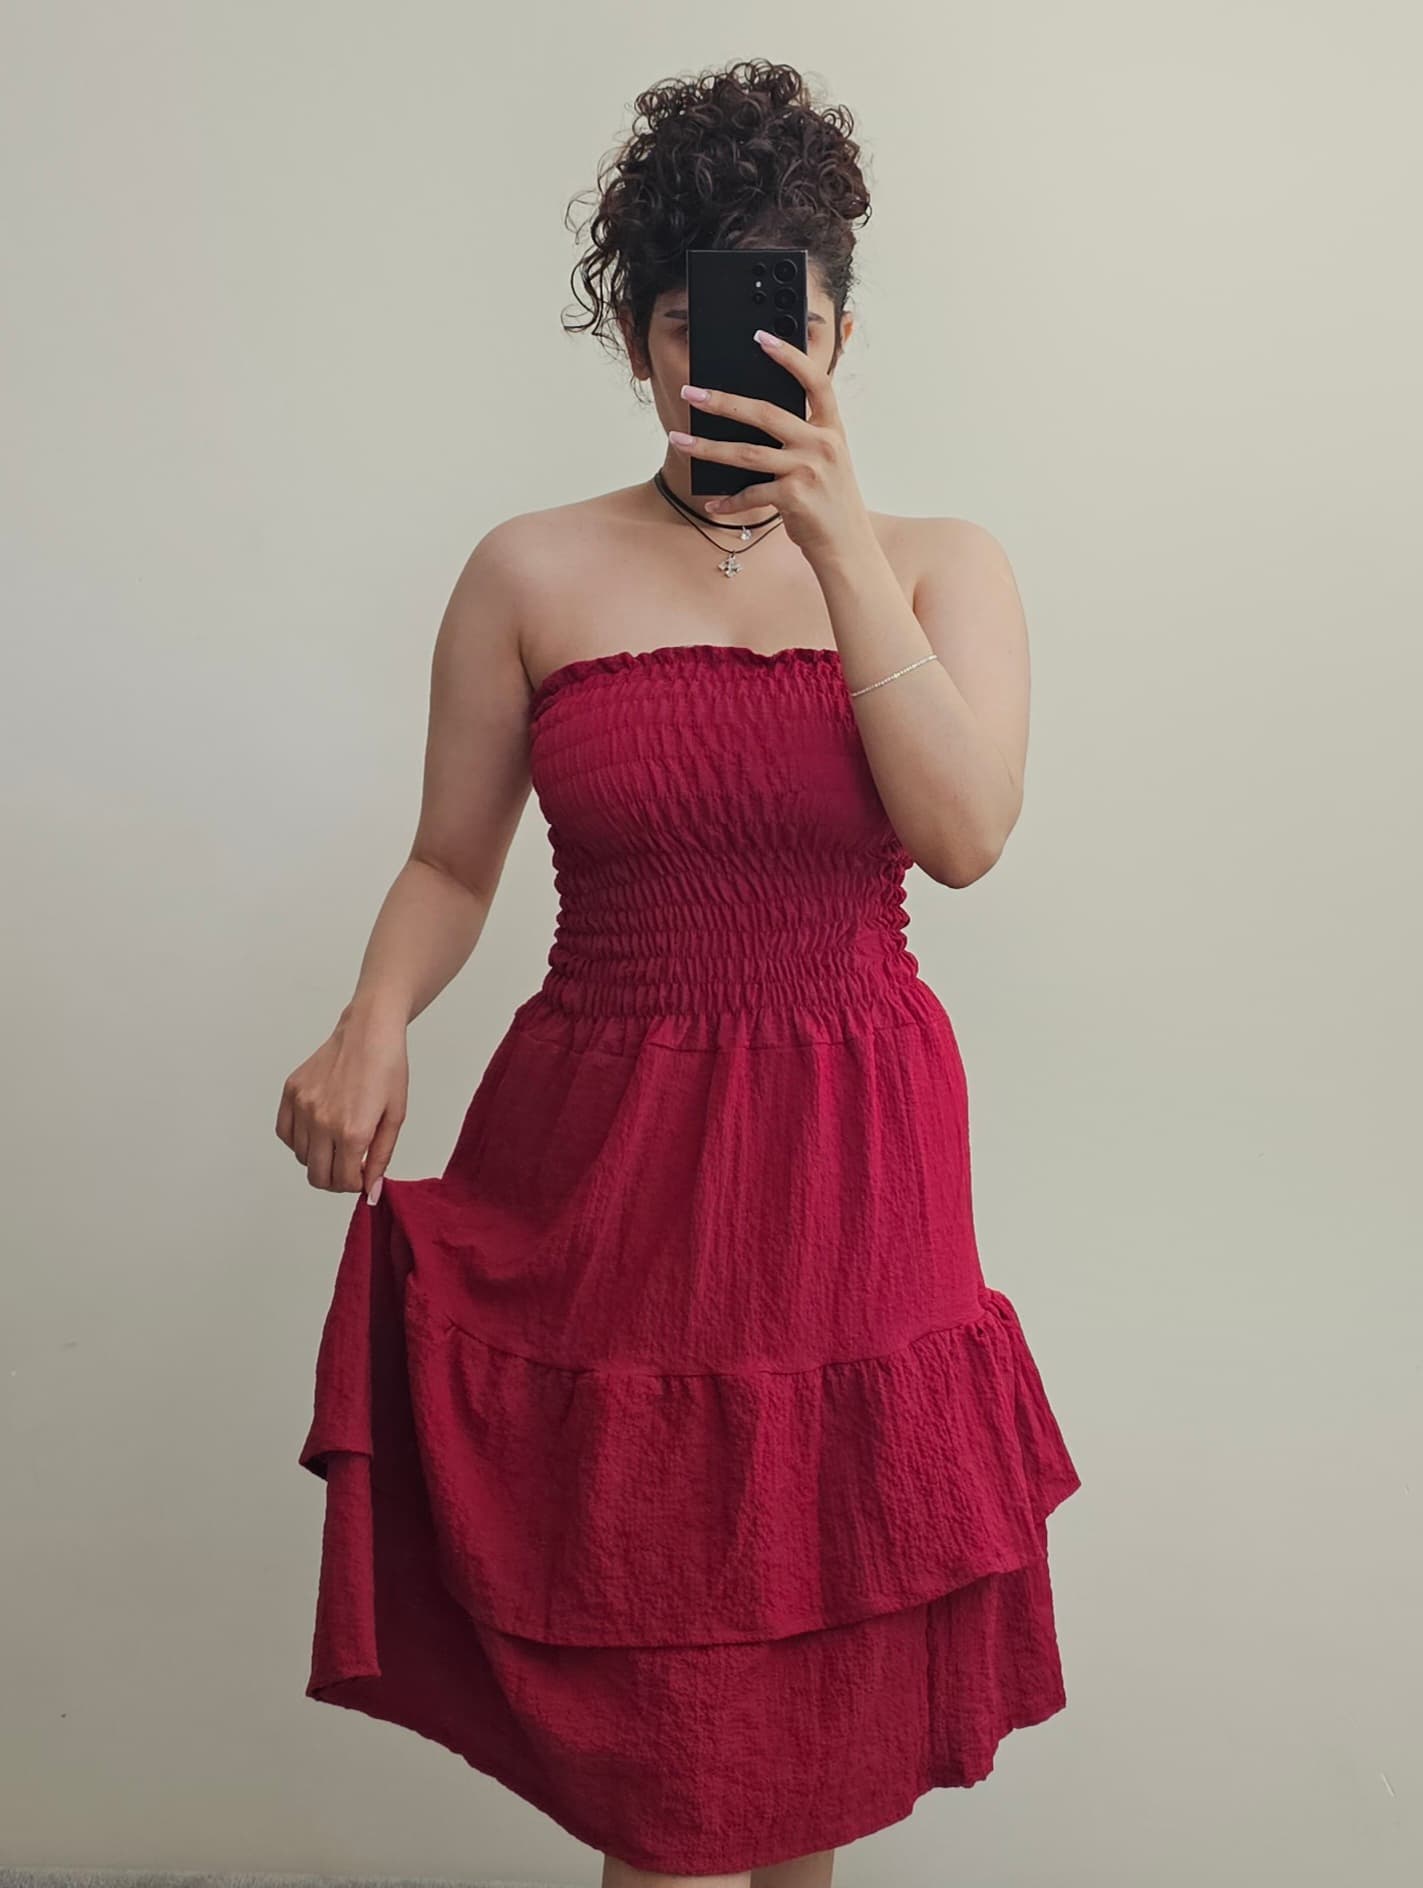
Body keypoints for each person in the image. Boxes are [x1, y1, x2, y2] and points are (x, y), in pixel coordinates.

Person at [277, 57, 1081, 1888]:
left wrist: (839, 549)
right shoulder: (529, 572)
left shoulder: (943, 567)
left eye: (779, 327)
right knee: (665, 1715)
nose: (723, 364)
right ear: (638, 339)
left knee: (811, 1697)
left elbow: (964, 833)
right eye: (679, 325)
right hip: (611, 1160)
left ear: (840, 334)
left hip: (848, 1154)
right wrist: (371, 1017)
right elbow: (451, 861)